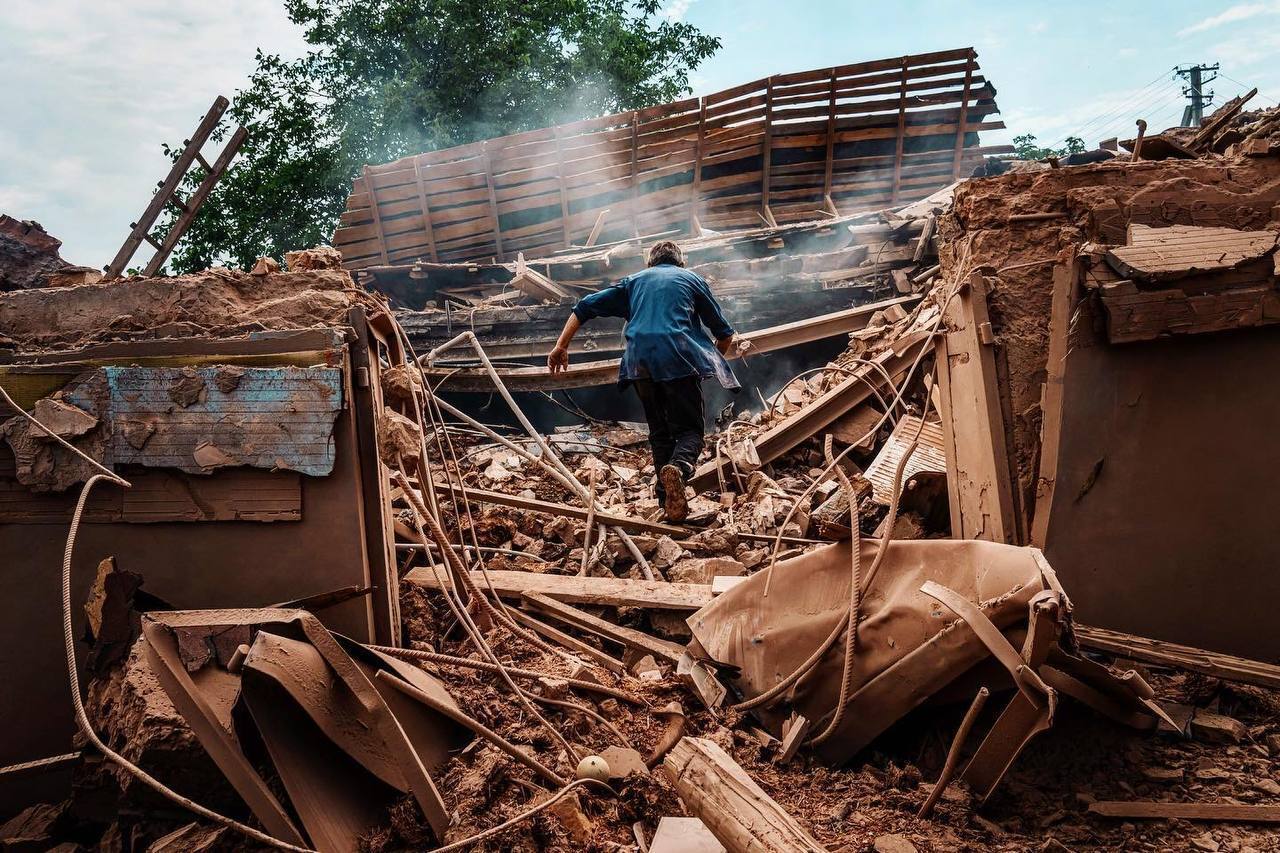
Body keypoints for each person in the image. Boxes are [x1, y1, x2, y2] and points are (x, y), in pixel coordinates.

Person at [547, 240, 738, 522]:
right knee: (690, 432)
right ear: (680, 263)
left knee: (659, 432)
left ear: (650, 263)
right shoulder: (692, 280)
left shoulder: (634, 282)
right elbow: (724, 334)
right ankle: (681, 467)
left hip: (638, 362)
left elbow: (584, 306)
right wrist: (704, 365)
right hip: (678, 356)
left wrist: (561, 346)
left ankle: (666, 502)